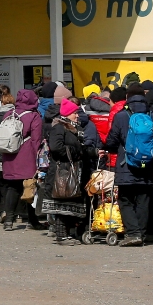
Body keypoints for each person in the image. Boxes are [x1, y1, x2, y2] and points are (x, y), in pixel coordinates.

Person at [103, 83, 153, 246]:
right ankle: (142, 233)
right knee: (143, 200)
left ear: (127, 97)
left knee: (125, 200)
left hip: (125, 165)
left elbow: (111, 141)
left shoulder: (121, 116)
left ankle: (133, 234)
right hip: (147, 165)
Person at [43, 98, 89, 245]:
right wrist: (74, 152)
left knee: (67, 203)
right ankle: (62, 236)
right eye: (75, 113)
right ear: (67, 114)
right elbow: (56, 147)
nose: (77, 115)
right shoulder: (59, 128)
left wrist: (92, 152)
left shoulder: (72, 128)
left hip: (69, 170)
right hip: (61, 171)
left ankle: (66, 234)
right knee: (61, 204)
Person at [0, 89, 45, 230]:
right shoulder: (34, 116)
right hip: (27, 155)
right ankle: (33, 220)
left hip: (9, 154)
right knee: (30, 186)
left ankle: (9, 220)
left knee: (12, 187)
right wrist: (39, 158)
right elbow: (36, 140)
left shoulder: (9, 113)